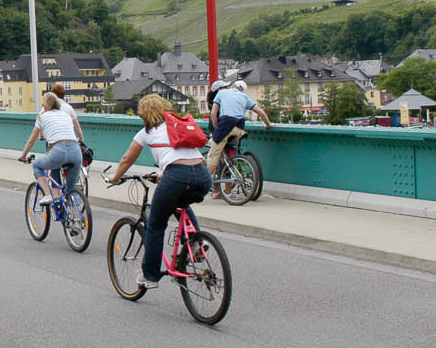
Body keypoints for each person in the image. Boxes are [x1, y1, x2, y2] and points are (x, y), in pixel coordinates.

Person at [105, 94, 212, 289]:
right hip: (203, 175)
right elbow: (180, 155)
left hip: (177, 176)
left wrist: (115, 177)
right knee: (181, 203)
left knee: (155, 225)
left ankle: (151, 276)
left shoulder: (146, 132)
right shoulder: (176, 126)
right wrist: (165, 173)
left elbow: (128, 159)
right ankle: (195, 243)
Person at [207, 79, 273, 197]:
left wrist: (217, 129)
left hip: (225, 126)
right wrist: (268, 124)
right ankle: (228, 186)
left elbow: (213, 114)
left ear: (233, 85)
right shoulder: (244, 97)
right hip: (239, 128)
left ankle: (202, 186)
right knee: (231, 155)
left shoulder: (222, 93)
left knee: (213, 158)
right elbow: (261, 113)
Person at [17, 92, 81, 205]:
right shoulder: (66, 115)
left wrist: (23, 156)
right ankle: (75, 217)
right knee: (71, 188)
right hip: (76, 150)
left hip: (58, 151)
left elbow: (32, 140)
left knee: (37, 164)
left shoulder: (41, 117)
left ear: (45, 105)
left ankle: (47, 195)